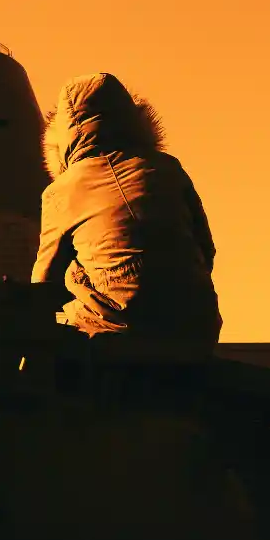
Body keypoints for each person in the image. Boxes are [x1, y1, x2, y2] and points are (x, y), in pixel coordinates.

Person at [33, 72, 220, 344]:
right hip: (196, 328)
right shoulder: (167, 167)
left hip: (115, 333)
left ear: (63, 134)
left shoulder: (62, 191)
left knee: (73, 272)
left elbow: (43, 285)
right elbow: (206, 248)